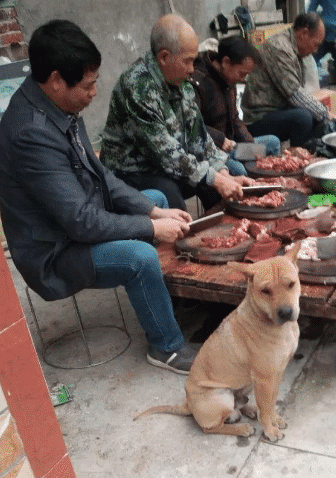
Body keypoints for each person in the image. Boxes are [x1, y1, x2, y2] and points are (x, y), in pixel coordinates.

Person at [0, 19, 197, 374]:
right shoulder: (30, 133)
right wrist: (151, 230)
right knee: (140, 255)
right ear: (57, 79)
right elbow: (82, 223)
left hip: (77, 221)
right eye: (89, 85)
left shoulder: (60, 105)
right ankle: (166, 347)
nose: (95, 93)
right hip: (54, 250)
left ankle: (167, 304)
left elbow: (102, 175)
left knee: (159, 199)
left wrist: (151, 211)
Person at [100, 14, 254, 212]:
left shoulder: (178, 81)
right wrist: (215, 178)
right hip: (131, 171)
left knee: (226, 175)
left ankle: (225, 235)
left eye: (194, 61)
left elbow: (198, 138)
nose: (192, 69)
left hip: (166, 164)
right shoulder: (138, 86)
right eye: (187, 61)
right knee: (170, 192)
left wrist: (223, 172)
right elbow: (166, 155)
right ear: (164, 57)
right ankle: (184, 240)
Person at [190, 35, 280, 175]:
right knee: (239, 170)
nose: (242, 80)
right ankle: (252, 189)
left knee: (273, 143)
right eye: (242, 74)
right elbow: (191, 126)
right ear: (225, 62)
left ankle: (268, 185)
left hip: (231, 148)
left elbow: (235, 120)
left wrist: (250, 146)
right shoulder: (198, 81)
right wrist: (219, 139)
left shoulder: (228, 80)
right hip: (212, 153)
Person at [241, 12, 332, 147]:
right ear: (304, 33)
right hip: (258, 118)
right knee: (304, 118)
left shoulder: (295, 49)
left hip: (278, 111)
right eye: (315, 44)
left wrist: (322, 114)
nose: (316, 50)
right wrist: (325, 113)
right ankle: (298, 161)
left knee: (315, 118)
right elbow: (295, 94)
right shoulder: (279, 48)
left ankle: (310, 155)